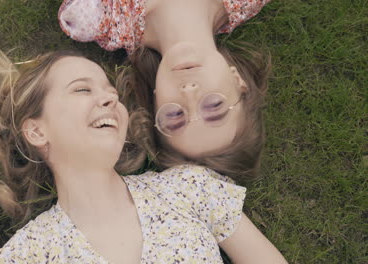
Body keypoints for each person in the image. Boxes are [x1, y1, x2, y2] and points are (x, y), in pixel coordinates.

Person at [0, 35, 286, 263]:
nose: (109, 98)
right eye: (81, 90)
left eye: (111, 93)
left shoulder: (187, 188)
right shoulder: (29, 255)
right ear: (36, 130)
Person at [58, 0, 272, 181]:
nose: (189, 92)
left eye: (175, 114)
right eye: (214, 105)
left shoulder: (98, 18)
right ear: (237, 81)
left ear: (156, 99)